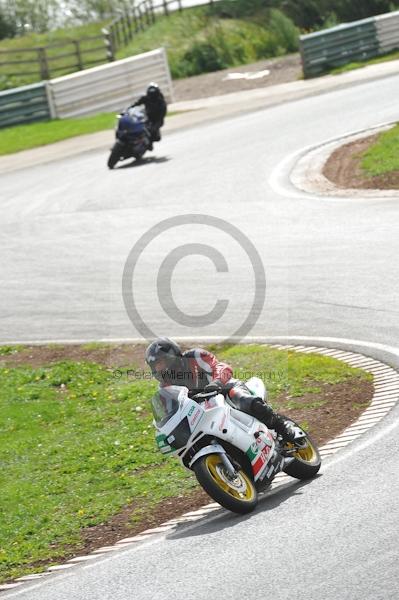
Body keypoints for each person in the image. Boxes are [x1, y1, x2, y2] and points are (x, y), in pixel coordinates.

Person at [145, 337, 298, 443]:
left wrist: (217, 382)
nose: (160, 369)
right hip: (203, 412)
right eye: (156, 366)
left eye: (162, 362)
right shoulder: (165, 388)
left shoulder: (195, 356)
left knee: (244, 400)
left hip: (223, 390)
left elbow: (220, 367)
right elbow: (169, 413)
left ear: (173, 356)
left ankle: (282, 426)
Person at [129, 83, 167, 150]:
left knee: (153, 132)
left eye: (154, 90)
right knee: (138, 125)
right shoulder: (145, 98)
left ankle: (149, 143)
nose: (152, 92)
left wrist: (158, 122)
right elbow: (137, 103)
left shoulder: (161, 100)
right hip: (147, 117)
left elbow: (163, 112)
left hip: (157, 120)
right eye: (151, 90)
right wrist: (130, 108)